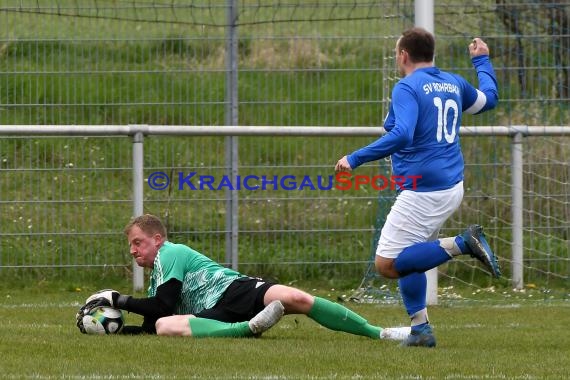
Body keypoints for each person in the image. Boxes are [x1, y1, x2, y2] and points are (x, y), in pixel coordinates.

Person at [335, 27, 501, 348]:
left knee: (386, 263)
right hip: (450, 184)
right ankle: (420, 330)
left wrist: (355, 158)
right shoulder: (453, 82)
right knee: (411, 255)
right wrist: (482, 61)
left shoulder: (406, 86)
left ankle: (463, 243)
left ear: (403, 55)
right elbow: (489, 101)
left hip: (424, 189)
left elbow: (402, 135)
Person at [79, 213, 410, 340]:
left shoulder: (171, 253)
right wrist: (116, 330)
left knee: (298, 298)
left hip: (232, 290)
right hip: (215, 313)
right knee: (165, 327)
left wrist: (116, 299)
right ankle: (249, 328)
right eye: (131, 246)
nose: (134, 251)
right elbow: (155, 320)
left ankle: (380, 333)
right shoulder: (156, 276)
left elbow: (162, 303)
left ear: (157, 240)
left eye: (138, 243)